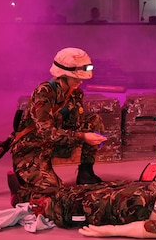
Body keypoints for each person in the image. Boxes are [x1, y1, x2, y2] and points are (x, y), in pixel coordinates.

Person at [10, 47, 107, 206]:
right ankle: (20, 191)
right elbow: (47, 133)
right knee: (56, 193)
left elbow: (75, 123)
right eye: (75, 77)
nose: (80, 81)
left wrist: (91, 136)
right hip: (33, 148)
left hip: (55, 143)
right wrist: (82, 137)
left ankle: (85, 173)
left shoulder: (75, 93)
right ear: (63, 75)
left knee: (94, 121)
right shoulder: (44, 93)